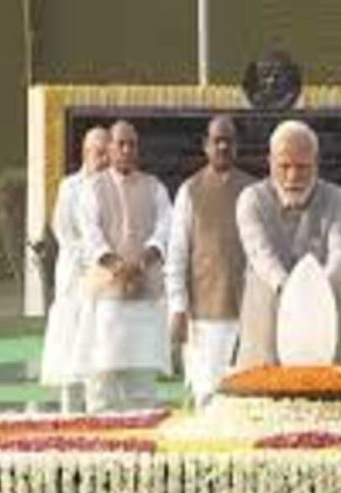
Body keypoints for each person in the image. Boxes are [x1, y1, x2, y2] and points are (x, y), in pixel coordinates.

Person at [235, 119, 341, 368]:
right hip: (264, 335)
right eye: (284, 166)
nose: (293, 176)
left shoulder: (340, 200)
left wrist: (315, 294)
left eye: (303, 167)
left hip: (325, 331)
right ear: (269, 163)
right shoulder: (251, 200)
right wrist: (292, 292)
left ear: (316, 163)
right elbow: (261, 255)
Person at [75, 120, 172, 411]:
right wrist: (118, 266)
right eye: (121, 144)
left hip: (143, 294)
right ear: (110, 149)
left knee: (142, 377)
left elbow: (165, 228)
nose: (127, 150)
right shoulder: (92, 188)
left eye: (132, 144)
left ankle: (143, 436)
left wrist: (142, 263)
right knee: (103, 373)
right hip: (108, 296)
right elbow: (91, 234)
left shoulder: (154, 187)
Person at [166, 115, 255, 406]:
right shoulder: (189, 191)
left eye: (228, 140)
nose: (222, 146)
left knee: (246, 397)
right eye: (216, 140)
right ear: (205, 146)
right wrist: (178, 307)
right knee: (207, 395)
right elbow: (177, 254)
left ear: (237, 146)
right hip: (204, 315)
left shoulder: (255, 191)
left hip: (250, 312)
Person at [40, 127, 110, 413]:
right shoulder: (70, 186)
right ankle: (70, 414)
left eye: (108, 151)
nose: (104, 158)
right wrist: (94, 258)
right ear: (85, 153)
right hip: (76, 278)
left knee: (100, 351)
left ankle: (100, 411)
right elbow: (64, 231)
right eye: (98, 152)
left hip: (106, 279)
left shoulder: (113, 186)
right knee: (71, 352)